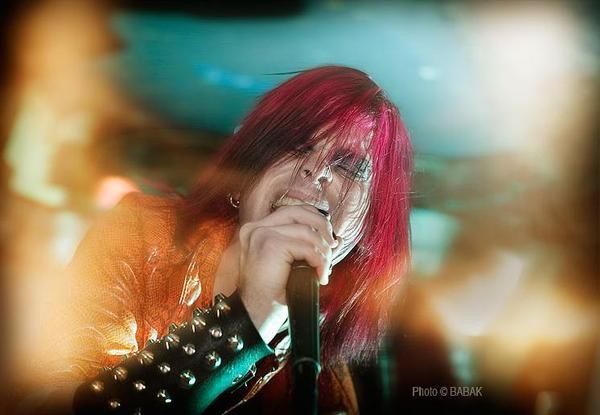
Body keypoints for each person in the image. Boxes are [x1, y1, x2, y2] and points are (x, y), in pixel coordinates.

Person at [54, 65, 412, 414]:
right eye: (298, 146)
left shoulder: (324, 375)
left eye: (349, 166)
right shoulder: (140, 232)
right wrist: (247, 315)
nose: (316, 171)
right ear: (248, 169)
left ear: (370, 225)